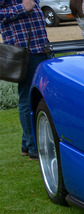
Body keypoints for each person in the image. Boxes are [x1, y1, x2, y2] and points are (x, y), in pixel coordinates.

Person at [0, 0, 50, 160]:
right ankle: (33, 146)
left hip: (40, 47)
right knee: (26, 98)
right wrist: (22, 7)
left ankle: (27, 144)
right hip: (24, 52)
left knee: (34, 97)